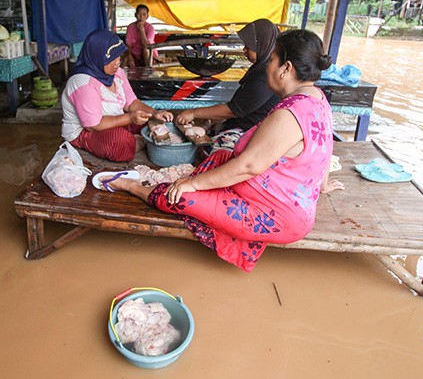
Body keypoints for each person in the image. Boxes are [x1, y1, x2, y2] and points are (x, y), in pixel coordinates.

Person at [103, 29, 344, 271]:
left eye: (271, 59)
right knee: (220, 156)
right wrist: (321, 185)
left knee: (178, 197)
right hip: (287, 202)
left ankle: (129, 184)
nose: (268, 65)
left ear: (286, 68)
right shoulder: (317, 98)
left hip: (275, 215)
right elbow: (325, 147)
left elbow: (249, 166)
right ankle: (194, 187)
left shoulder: (288, 115)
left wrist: (193, 184)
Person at [61, 29, 173, 162]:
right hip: (85, 132)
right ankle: (139, 142)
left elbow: (131, 103)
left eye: (118, 56)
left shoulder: (117, 73)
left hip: (114, 121)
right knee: (119, 142)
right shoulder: (82, 83)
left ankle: (135, 138)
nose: (117, 62)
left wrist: (154, 112)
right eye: (110, 58)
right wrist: (131, 118)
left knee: (152, 120)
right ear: (96, 56)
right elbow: (93, 125)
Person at [176, 19, 281, 154]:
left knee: (212, 151)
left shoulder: (265, 75)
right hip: (243, 123)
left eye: (248, 46)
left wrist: (193, 112)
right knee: (207, 131)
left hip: (252, 130)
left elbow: (232, 110)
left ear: (261, 44)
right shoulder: (262, 67)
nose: (244, 50)